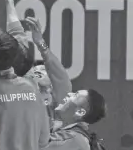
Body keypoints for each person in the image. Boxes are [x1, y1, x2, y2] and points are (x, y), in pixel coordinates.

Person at [23, 18, 107, 150]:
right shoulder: (64, 127)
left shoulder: (73, 139)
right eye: (35, 72)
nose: (69, 95)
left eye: (75, 95)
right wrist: (40, 44)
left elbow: (60, 78)